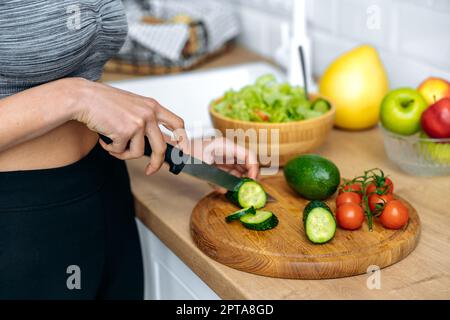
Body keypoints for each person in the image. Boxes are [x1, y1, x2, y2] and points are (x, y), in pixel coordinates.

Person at [0, 0, 258, 299]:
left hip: (105, 186)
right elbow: (77, 97)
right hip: (16, 224)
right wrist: (75, 96)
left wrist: (176, 151)